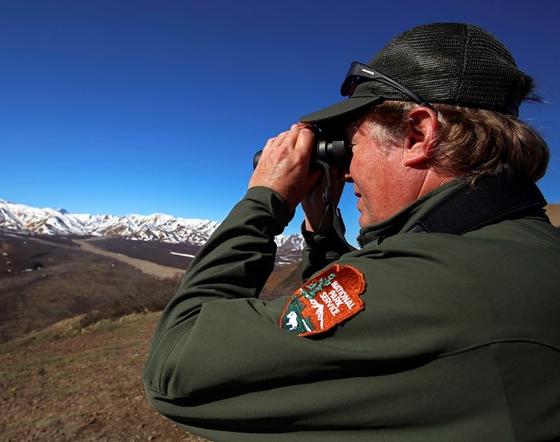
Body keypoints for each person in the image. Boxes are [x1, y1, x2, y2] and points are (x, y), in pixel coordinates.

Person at [142, 22, 560, 440]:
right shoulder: (512, 248)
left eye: (350, 145)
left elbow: (176, 365)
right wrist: (320, 225)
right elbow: (345, 318)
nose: (345, 171)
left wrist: (264, 199)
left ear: (417, 134)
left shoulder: (443, 280)